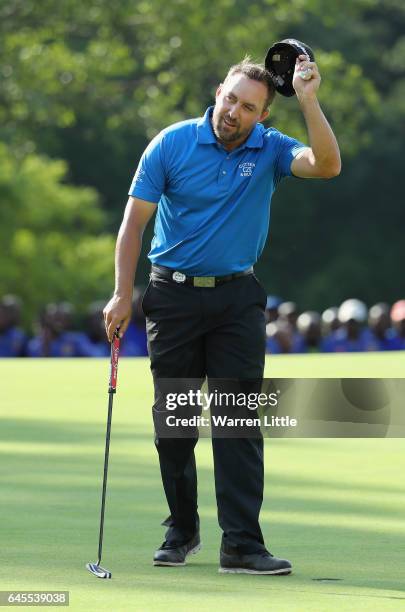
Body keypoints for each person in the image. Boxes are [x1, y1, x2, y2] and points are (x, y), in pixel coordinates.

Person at [103, 54, 340, 575]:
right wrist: (122, 293)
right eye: (230, 98)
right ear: (218, 92)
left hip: (237, 298)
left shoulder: (272, 148)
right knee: (176, 424)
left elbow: (327, 165)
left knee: (237, 422)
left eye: (248, 107)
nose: (233, 112)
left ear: (262, 116)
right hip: (173, 297)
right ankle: (181, 530)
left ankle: (241, 545)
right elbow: (133, 224)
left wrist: (308, 99)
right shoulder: (171, 143)